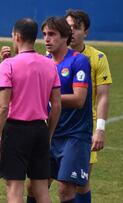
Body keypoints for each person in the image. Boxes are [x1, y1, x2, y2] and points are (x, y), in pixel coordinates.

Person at [0, 18, 61, 203]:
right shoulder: (49, 64)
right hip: (40, 129)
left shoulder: (8, 65)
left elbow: (3, 106)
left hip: (16, 131)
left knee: (14, 190)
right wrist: (48, 133)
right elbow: (56, 106)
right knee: (41, 191)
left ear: (17, 36)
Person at [27, 16, 92, 203]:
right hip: (50, 133)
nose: (47, 39)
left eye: (52, 34)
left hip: (75, 135)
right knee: (34, 186)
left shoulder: (79, 61)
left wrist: (45, 98)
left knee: (65, 190)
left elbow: (79, 99)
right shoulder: (44, 62)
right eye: (45, 34)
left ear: (65, 37)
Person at [65, 9, 113, 203]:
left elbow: (102, 96)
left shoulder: (98, 58)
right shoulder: (52, 56)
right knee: (39, 181)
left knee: (80, 182)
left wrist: (99, 130)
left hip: (83, 129)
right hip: (54, 126)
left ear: (86, 32)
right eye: (68, 28)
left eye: (77, 28)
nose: (72, 32)